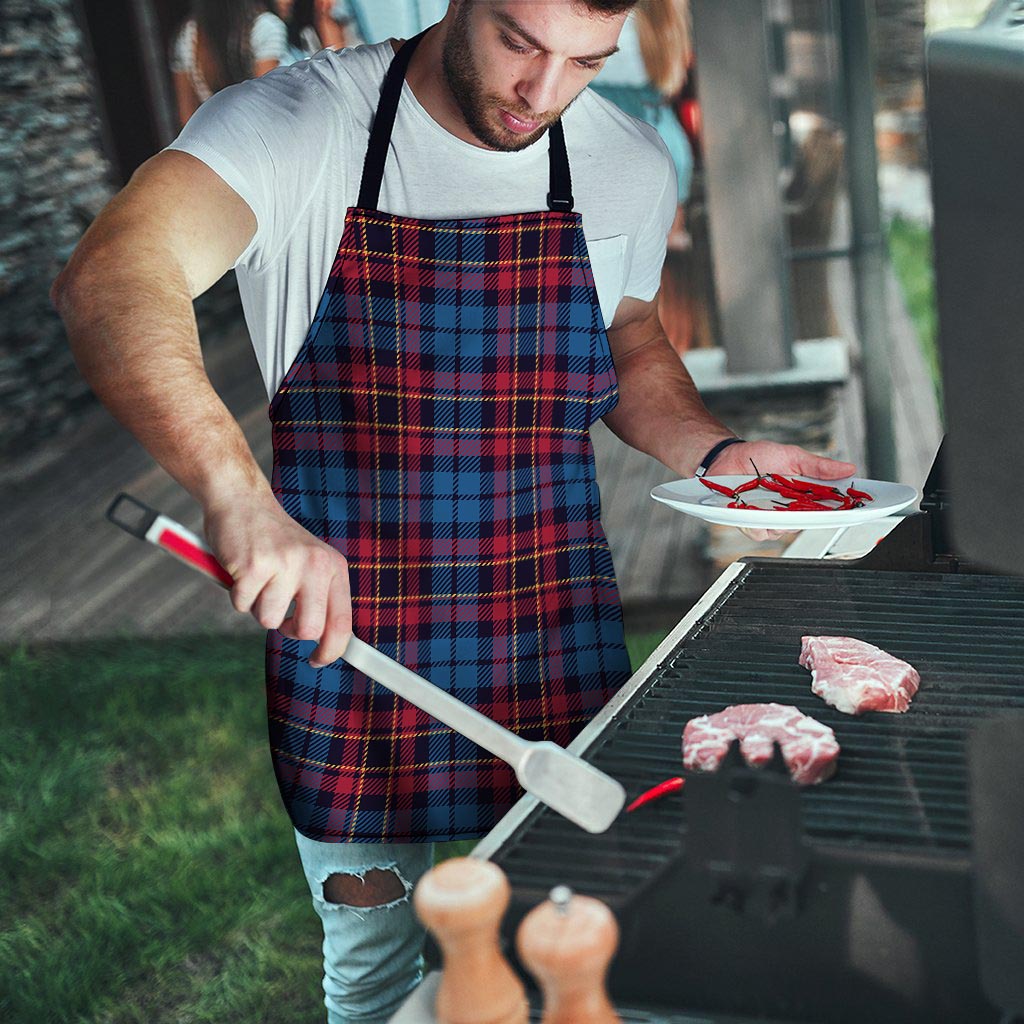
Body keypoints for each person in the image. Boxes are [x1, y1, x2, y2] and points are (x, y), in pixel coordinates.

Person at [52, 2, 856, 1020]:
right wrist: (237, 496)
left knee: (572, 949)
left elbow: (629, 334)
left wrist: (718, 450)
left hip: (550, 633)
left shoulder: (624, 160)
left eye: (585, 62)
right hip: (350, 653)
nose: (543, 93)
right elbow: (112, 275)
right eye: (521, 43)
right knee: (379, 976)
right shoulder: (298, 125)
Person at [171, 0, 288, 126]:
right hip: (264, 135)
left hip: (215, 138)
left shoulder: (187, 36)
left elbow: (187, 118)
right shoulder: (265, 27)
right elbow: (266, 104)